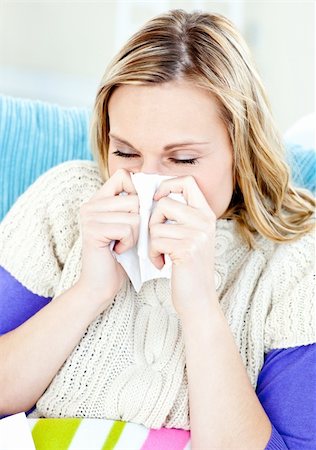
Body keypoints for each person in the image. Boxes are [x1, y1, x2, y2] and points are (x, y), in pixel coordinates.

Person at [0, 8, 315, 450]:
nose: (149, 182)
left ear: (241, 152)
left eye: (183, 160)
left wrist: (201, 305)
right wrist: (89, 290)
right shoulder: (67, 202)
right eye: (126, 153)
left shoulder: (297, 259)